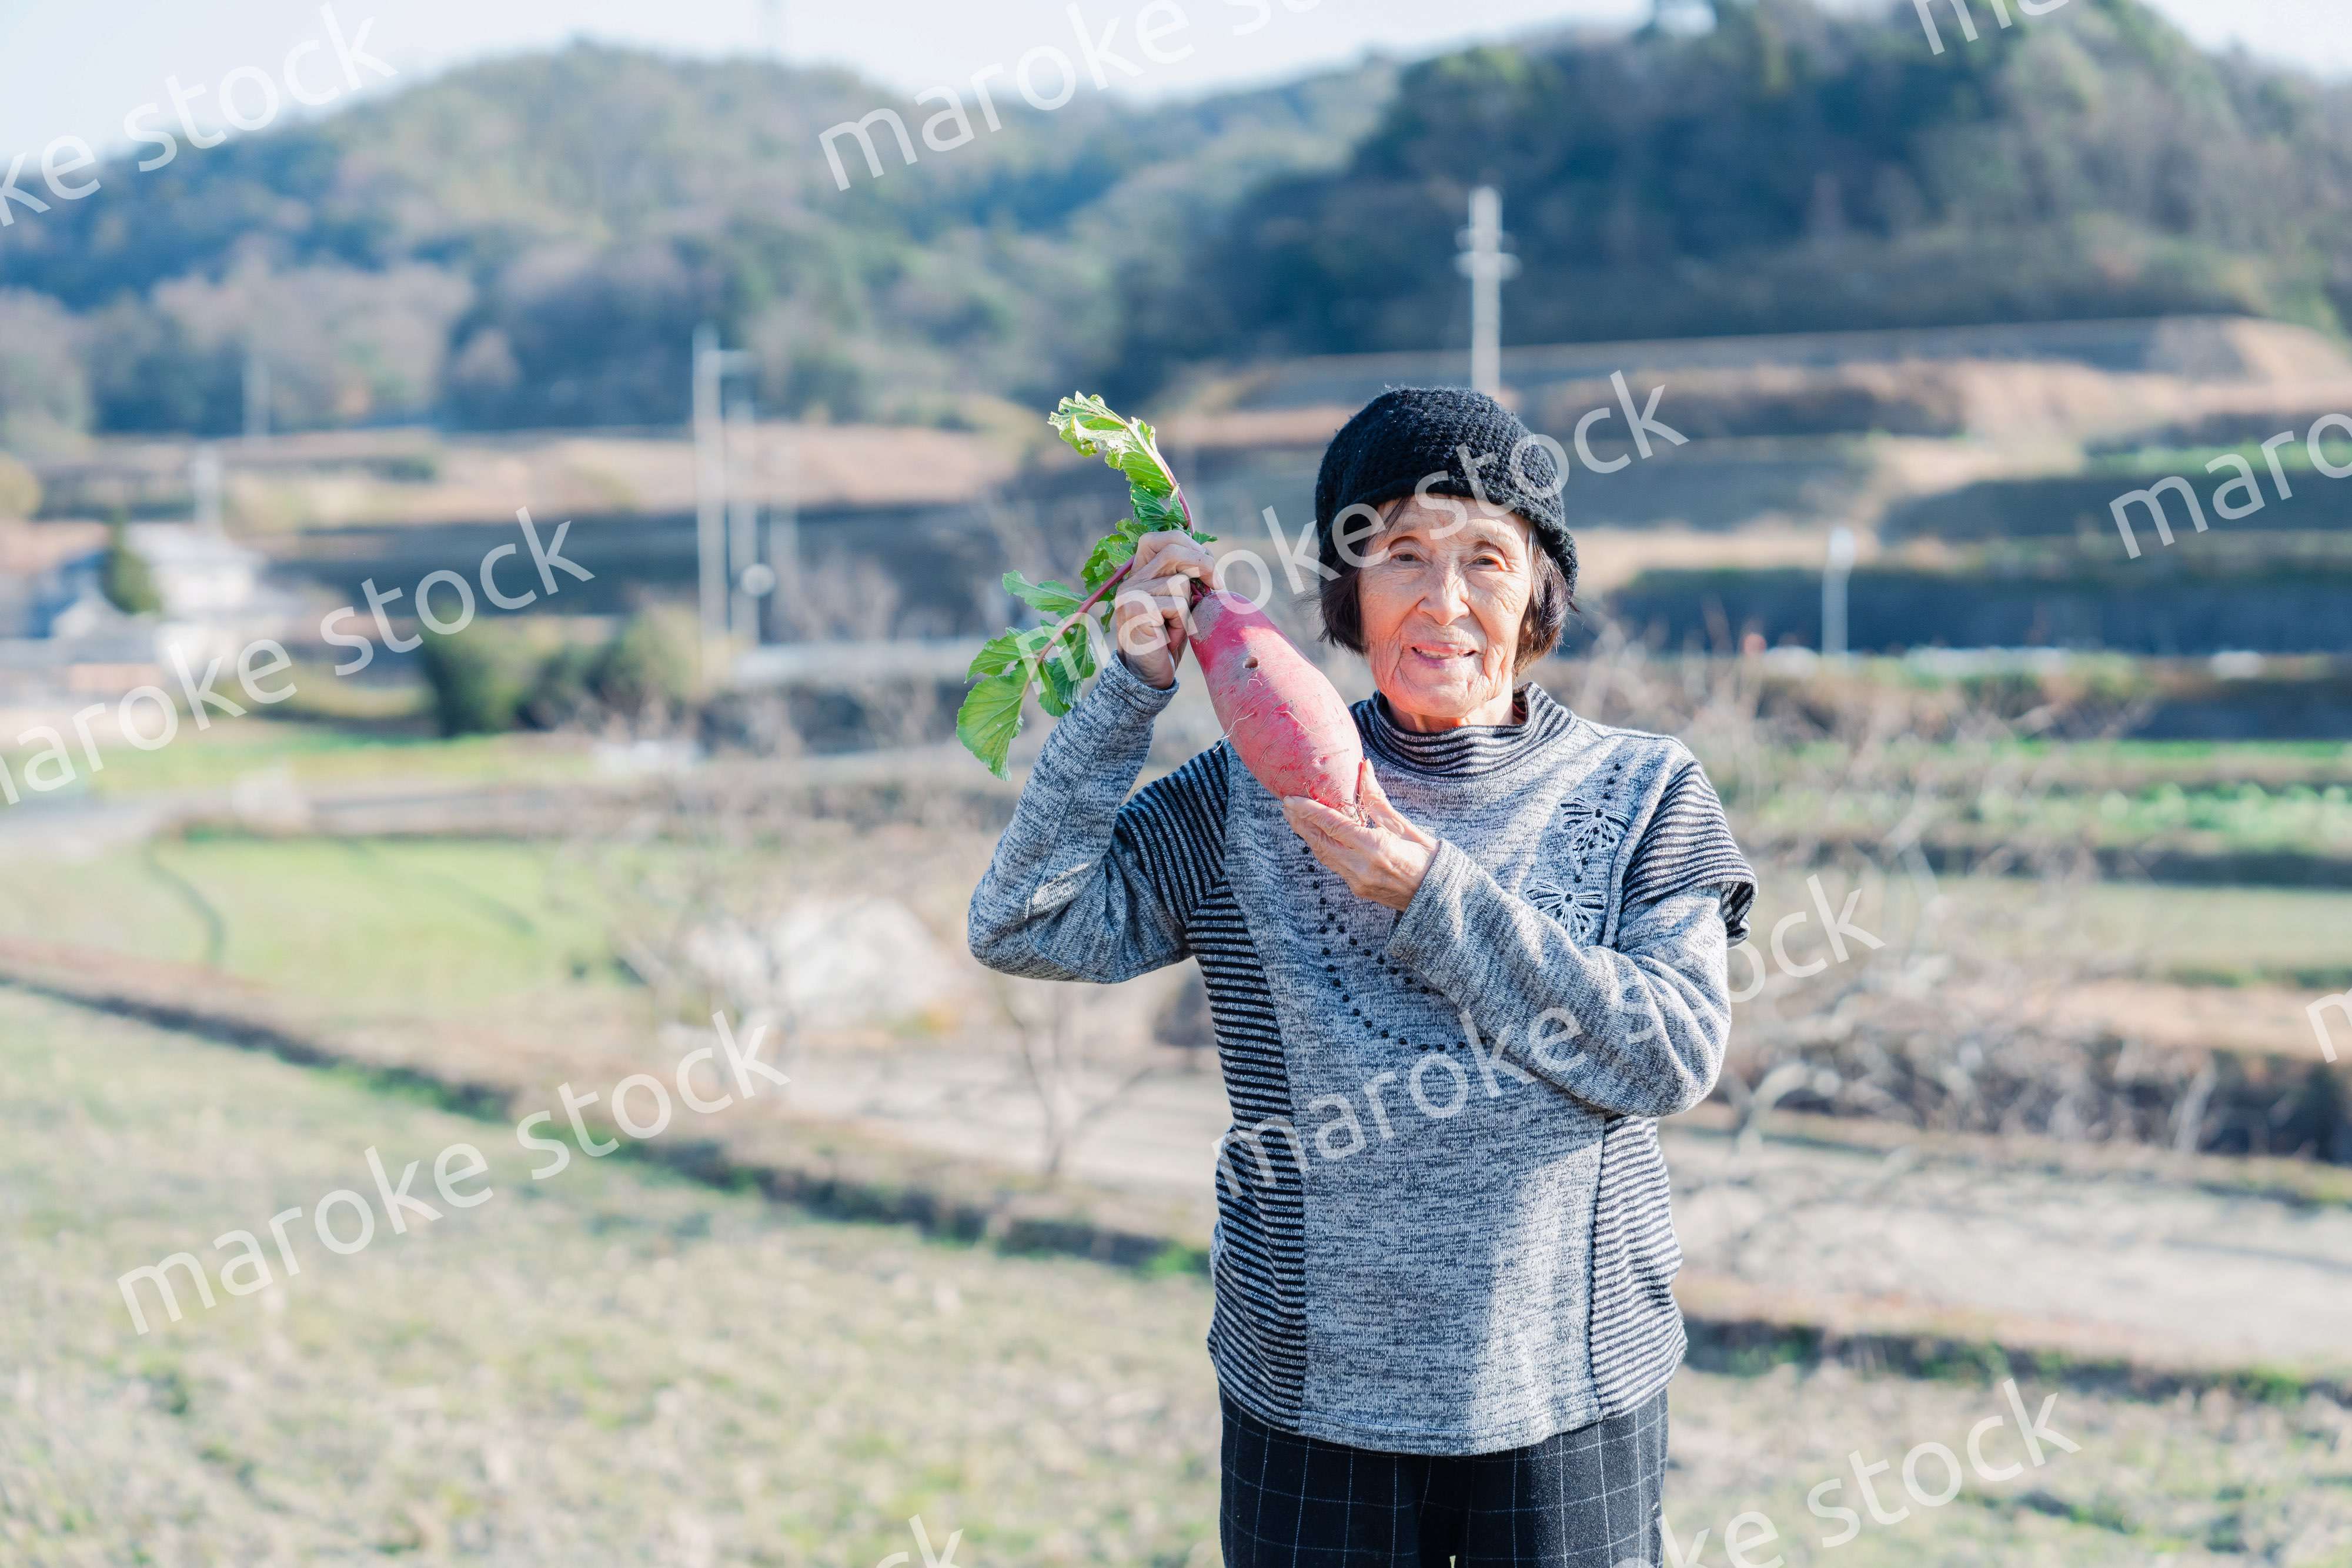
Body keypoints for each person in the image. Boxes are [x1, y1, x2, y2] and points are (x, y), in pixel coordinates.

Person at [967, 387, 1755, 1568]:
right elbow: (1024, 920)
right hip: (1312, 1399)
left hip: (1569, 1393)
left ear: (1539, 592)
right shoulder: (1244, 796)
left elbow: (1669, 1048)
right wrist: (1128, 685)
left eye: (1486, 556)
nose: (1444, 601)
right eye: (1398, 555)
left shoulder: (1642, 789)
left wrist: (1430, 895)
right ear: (1346, 596)